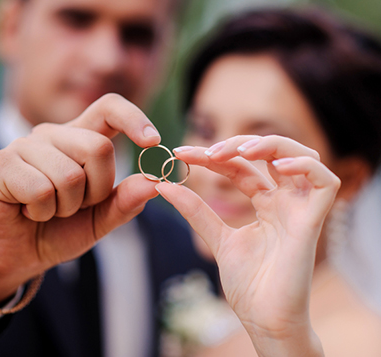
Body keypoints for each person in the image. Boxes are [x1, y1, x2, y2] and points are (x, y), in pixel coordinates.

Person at [0, 1, 218, 356]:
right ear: (9, 27)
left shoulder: (191, 249)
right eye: (76, 19)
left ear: (166, 54)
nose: (107, 58)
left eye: (138, 35)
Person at [157, 7, 381, 356]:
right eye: (204, 130)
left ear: (349, 179)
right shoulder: (194, 293)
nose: (217, 167)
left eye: (260, 147)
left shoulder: (359, 341)